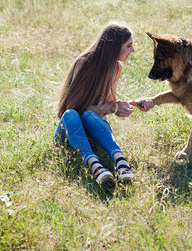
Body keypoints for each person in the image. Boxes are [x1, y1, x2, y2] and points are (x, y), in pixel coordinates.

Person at [54, 22, 153, 185]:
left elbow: (108, 104)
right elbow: (72, 107)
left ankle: (122, 163)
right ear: (114, 47)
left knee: (90, 115)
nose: (133, 50)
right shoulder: (84, 63)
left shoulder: (116, 67)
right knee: (74, 114)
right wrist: (113, 107)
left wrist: (132, 104)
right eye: (129, 46)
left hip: (94, 128)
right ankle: (95, 166)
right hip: (71, 131)